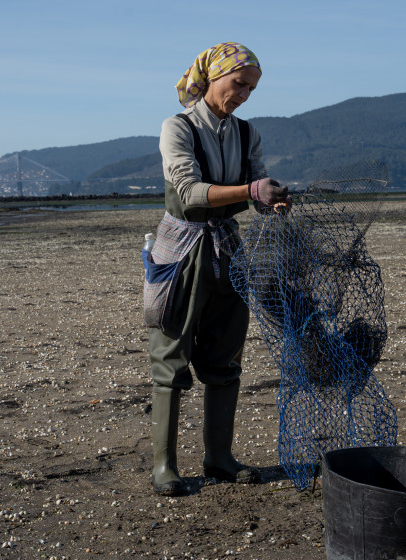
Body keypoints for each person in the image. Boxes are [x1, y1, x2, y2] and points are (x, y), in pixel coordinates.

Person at [143, 42, 290, 496]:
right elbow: (187, 194)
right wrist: (251, 190)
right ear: (211, 78)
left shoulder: (247, 134)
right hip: (180, 250)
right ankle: (164, 465)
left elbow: (256, 191)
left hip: (229, 250)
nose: (244, 94)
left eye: (251, 88)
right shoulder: (177, 127)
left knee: (225, 357)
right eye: (238, 84)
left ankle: (219, 457)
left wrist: (274, 201)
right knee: (170, 357)